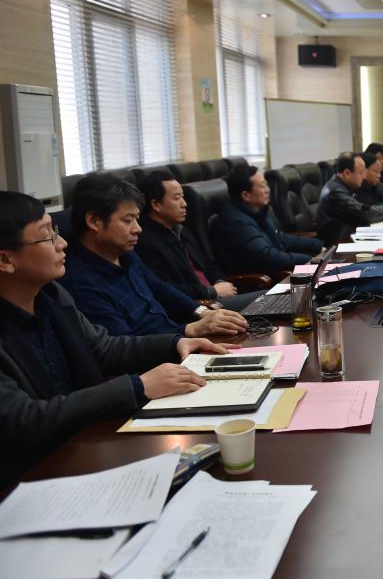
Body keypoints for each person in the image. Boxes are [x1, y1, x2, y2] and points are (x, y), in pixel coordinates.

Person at [0, 192, 227, 484]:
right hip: (32, 479)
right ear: (5, 259)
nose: (62, 243)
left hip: (87, 446)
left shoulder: (52, 295)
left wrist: (175, 342)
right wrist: (138, 386)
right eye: (47, 237)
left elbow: (103, 348)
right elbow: (26, 420)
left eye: (56, 231)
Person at [61, 175, 248, 338]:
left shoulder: (125, 254)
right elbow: (123, 345)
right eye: (127, 220)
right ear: (94, 221)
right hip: (159, 358)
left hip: (177, 338)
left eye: (136, 219)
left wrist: (201, 312)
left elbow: (160, 288)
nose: (137, 229)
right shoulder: (80, 282)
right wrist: (191, 329)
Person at [135, 171, 262, 312]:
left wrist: (220, 282)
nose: (184, 204)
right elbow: (165, 289)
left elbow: (208, 264)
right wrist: (211, 291)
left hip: (216, 298)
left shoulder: (181, 230)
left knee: (273, 298)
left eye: (183, 197)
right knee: (267, 298)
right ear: (156, 204)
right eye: (177, 198)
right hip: (197, 307)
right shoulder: (144, 243)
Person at [212, 165, 322, 274]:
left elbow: (280, 239)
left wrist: (317, 245)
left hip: (277, 270)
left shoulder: (258, 210)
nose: (268, 190)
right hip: (260, 280)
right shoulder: (237, 223)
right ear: (246, 195)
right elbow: (267, 257)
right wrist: (309, 260)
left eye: (266, 184)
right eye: (262, 186)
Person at [317, 152, 383, 244]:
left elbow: (363, 206)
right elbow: (361, 212)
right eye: (361, 172)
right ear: (347, 173)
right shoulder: (335, 191)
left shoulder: (344, 185)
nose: (364, 177)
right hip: (337, 242)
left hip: (349, 233)